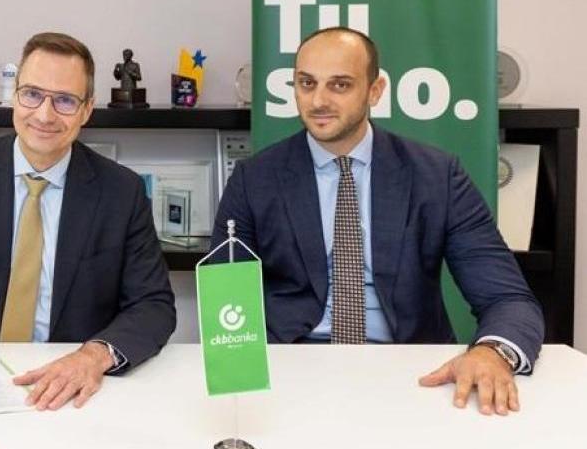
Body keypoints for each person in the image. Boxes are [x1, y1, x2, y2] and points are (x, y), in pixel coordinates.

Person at [212, 27, 543, 416]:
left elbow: (507, 297)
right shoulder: (254, 179)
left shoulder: (437, 176)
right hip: (289, 368)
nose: (318, 101)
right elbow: (225, 298)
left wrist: (492, 351)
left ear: (375, 90)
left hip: (410, 371)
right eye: (307, 83)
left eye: (340, 85)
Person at [0, 32, 176, 410]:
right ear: (15, 96)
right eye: (32, 94)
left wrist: (92, 357)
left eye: (65, 100)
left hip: (71, 388)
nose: (44, 115)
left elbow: (153, 305)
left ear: (86, 110)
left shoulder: (121, 192)